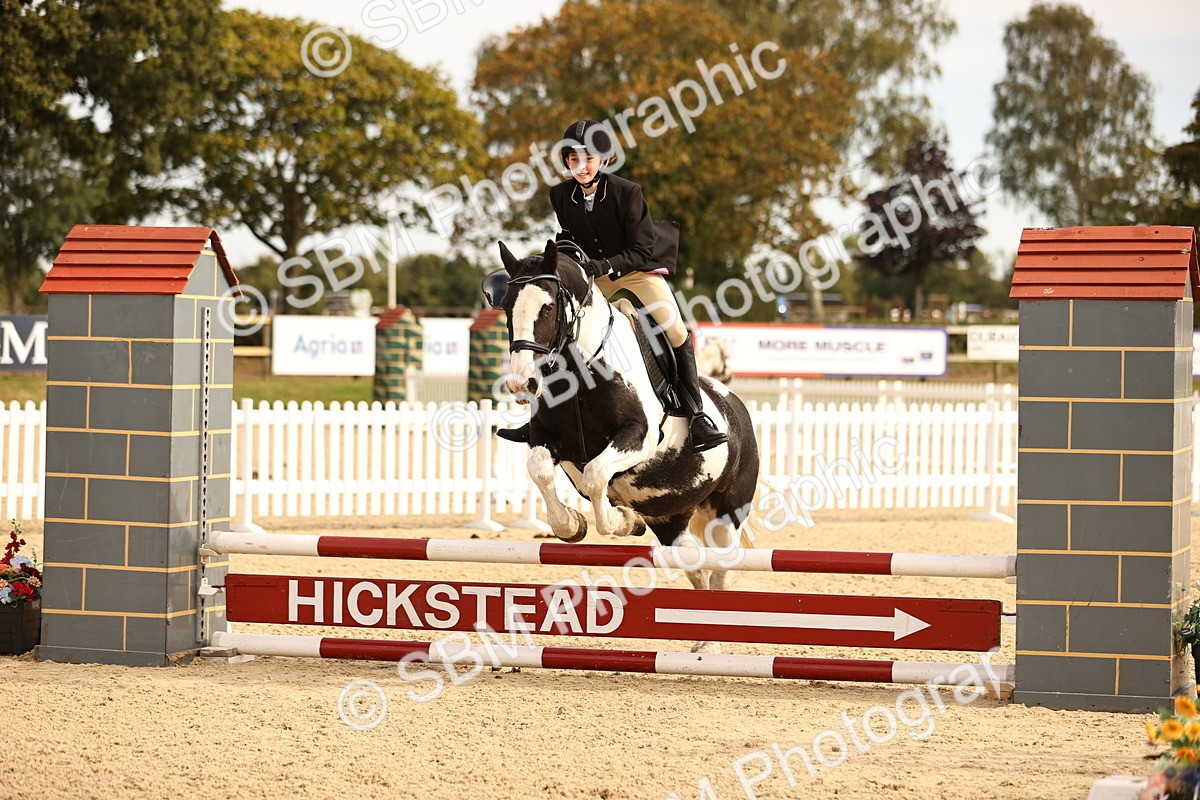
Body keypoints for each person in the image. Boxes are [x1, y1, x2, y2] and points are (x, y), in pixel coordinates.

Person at [498, 119, 727, 452]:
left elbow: (641, 248)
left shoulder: (626, 192)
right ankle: (541, 420)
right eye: (573, 160)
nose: (580, 167)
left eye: (587, 159)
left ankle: (696, 414)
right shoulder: (561, 195)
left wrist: (604, 265)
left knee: (675, 330)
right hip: (594, 274)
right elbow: (570, 237)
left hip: (637, 270)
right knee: (562, 329)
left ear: (602, 160)